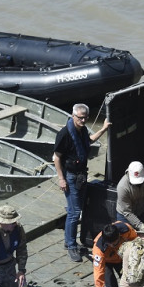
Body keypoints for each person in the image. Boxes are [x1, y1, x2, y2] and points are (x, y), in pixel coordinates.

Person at [53, 103, 110, 263]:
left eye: (85, 117)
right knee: (74, 212)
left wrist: (103, 129)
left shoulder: (83, 130)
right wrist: (61, 178)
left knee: (76, 209)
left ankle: (68, 241)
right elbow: (56, 157)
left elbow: (89, 141)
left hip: (81, 175)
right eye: (80, 118)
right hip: (70, 176)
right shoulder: (64, 134)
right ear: (73, 116)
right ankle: (71, 245)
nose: (83, 120)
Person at [90, 221, 137, 287]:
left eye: (114, 243)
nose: (112, 246)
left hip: (122, 258)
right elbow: (98, 272)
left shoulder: (126, 229)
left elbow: (136, 241)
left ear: (119, 235)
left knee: (129, 283)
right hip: (106, 262)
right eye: (109, 244)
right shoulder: (99, 249)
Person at [116, 161, 144, 227]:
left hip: (142, 210)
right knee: (126, 235)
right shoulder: (122, 187)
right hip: (125, 215)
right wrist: (140, 226)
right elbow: (127, 212)